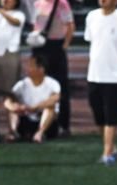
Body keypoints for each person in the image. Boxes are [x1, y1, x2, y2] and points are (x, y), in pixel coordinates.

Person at [85, 0, 117, 166]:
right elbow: (91, 40)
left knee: (112, 117)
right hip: (94, 74)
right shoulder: (91, 16)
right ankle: (112, 148)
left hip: (115, 77)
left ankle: (107, 153)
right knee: (99, 115)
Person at [30, 0, 74, 136]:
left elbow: (70, 25)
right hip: (39, 45)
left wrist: (65, 45)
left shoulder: (62, 4)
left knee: (60, 85)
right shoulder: (36, 3)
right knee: (38, 83)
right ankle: (38, 121)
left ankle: (63, 124)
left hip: (56, 45)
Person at [5, 54, 60, 142]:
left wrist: (35, 108)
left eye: (31, 66)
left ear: (41, 69)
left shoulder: (53, 84)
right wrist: (14, 107)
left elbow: (54, 99)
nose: (27, 68)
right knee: (13, 107)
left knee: (50, 108)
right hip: (26, 118)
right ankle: (13, 132)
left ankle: (40, 133)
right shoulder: (22, 84)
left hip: (45, 121)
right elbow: (7, 101)